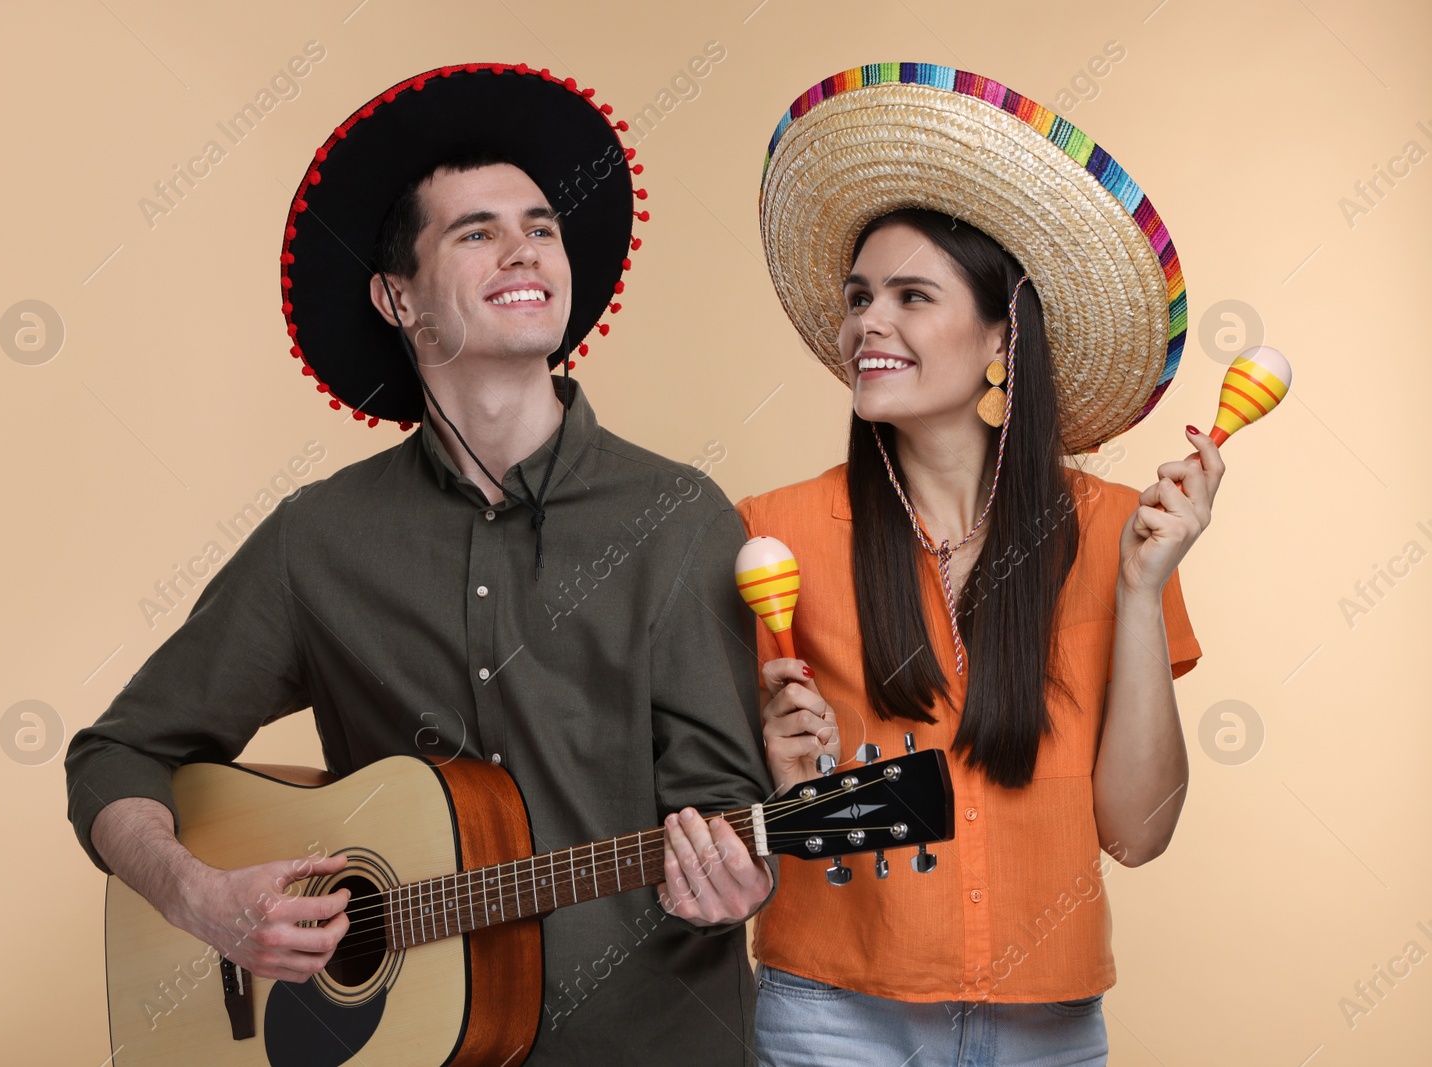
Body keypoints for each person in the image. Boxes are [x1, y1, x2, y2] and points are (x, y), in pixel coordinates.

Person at [64, 63, 774, 1065]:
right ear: (397, 296)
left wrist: (733, 880)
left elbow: (726, 814)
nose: (523, 246)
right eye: (474, 230)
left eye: (540, 224)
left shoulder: (679, 517)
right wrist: (200, 897)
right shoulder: (318, 538)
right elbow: (115, 753)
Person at [737, 63, 1218, 1065]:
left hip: (1048, 1024)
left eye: (913, 296)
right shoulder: (766, 537)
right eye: (860, 295)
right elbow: (726, 815)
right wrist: (772, 775)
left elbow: (1138, 831)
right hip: (829, 1014)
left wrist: (1137, 592)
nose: (870, 321)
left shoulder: (1123, 532)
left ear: (1002, 332)